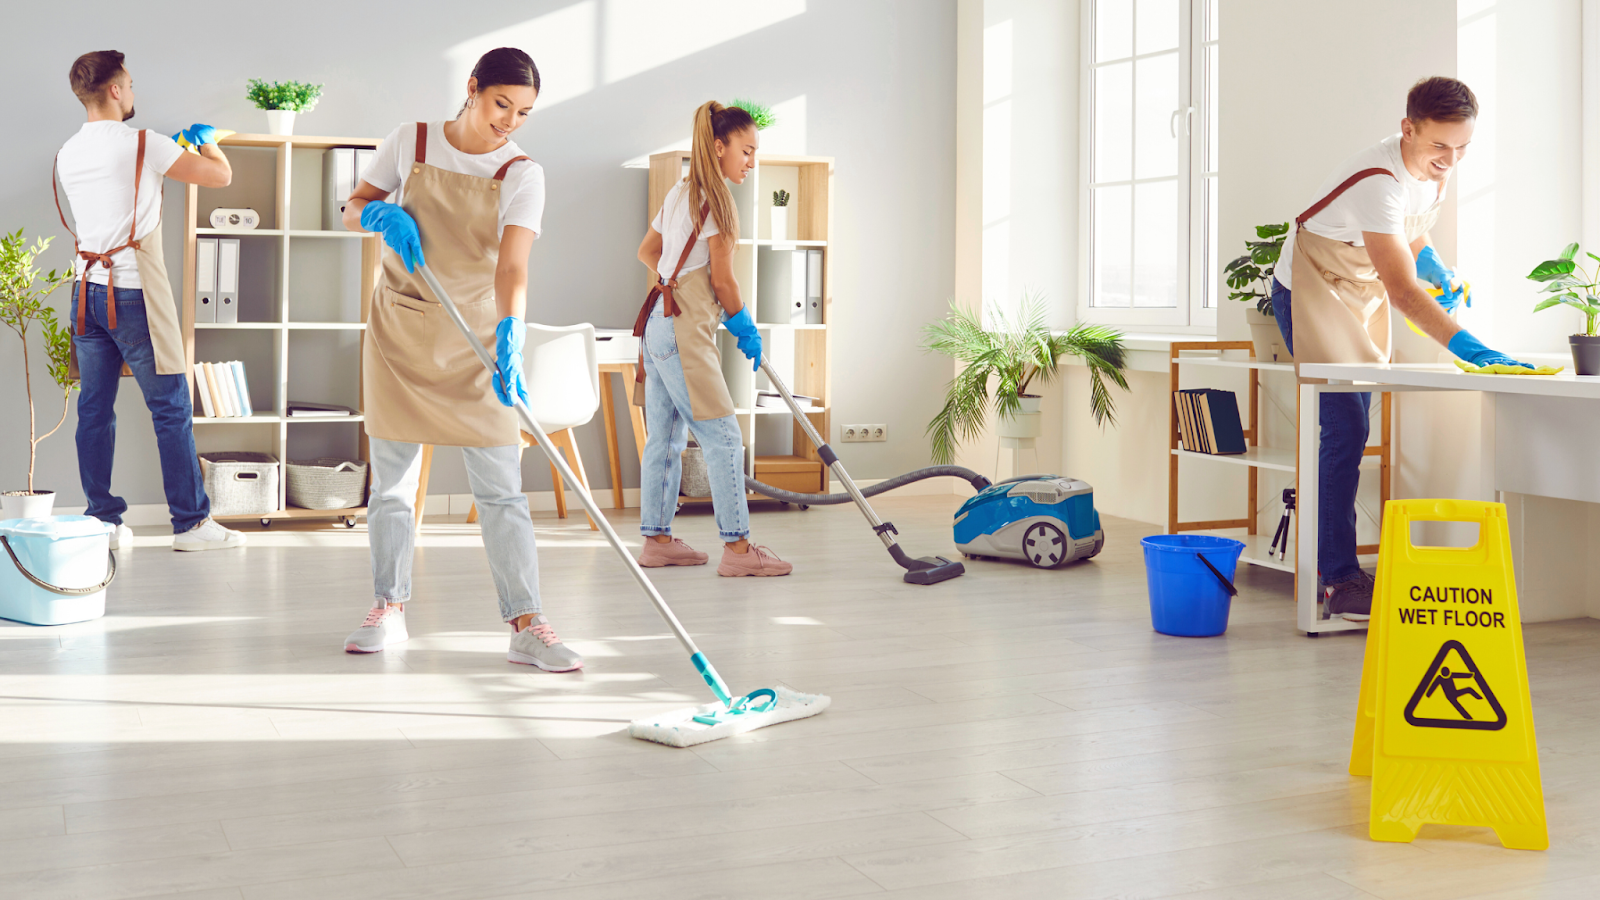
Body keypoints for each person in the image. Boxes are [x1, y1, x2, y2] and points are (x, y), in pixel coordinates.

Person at [338, 47, 581, 673]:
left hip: (476, 339)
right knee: (392, 486)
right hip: (401, 330)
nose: (510, 121)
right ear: (472, 89)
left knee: (502, 490)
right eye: (502, 104)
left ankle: (527, 623)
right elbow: (352, 207)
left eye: (524, 112)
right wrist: (379, 214)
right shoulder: (411, 141)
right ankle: (387, 607)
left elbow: (512, 265)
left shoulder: (524, 173)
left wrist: (511, 332)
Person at [1271, 76, 1531, 620]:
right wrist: (1469, 346)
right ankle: (1338, 578)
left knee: (1354, 425)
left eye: (1462, 148)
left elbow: (1410, 234)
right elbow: (1402, 290)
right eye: (1440, 146)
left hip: (1358, 287)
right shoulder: (1378, 180)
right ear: (1408, 128)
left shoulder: (1435, 170)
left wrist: (1432, 260)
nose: (1451, 160)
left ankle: (1340, 567)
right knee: (1344, 427)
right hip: (1312, 287)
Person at [53, 50, 247, 552]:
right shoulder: (145, 142)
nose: (134, 93)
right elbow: (219, 177)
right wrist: (208, 145)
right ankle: (192, 525)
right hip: (134, 292)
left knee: (95, 411)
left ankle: (105, 522)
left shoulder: (68, 151)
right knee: (171, 410)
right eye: (131, 85)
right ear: (115, 90)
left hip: (85, 294)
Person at [631, 102, 792, 577]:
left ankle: (657, 540)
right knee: (723, 437)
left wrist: (672, 280)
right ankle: (739, 551)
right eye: (746, 150)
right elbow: (723, 281)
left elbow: (648, 250)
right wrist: (743, 323)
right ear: (719, 147)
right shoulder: (719, 199)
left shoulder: (682, 190)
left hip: (659, 323)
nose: (752, 161)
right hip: (683, 331)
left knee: (664, 437)